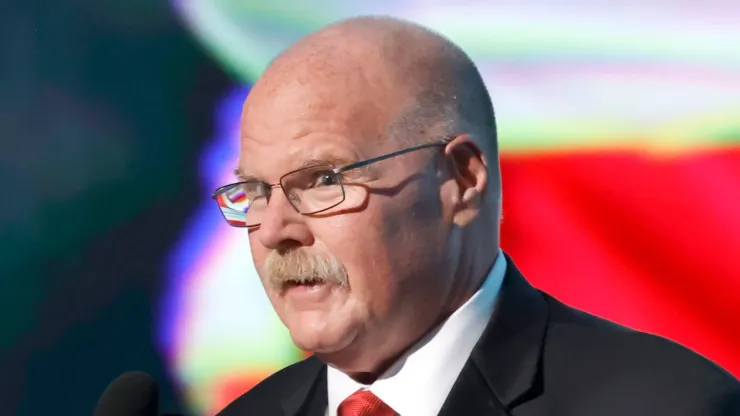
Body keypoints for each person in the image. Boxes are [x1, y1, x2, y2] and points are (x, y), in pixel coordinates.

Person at [212, 16, 740, 416]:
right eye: (254, 191)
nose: (276, 230)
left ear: (462, 180)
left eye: (325, 180)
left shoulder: (664, 403)